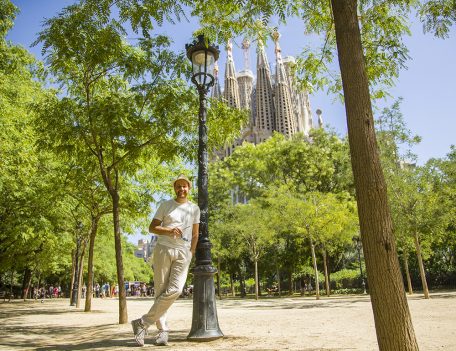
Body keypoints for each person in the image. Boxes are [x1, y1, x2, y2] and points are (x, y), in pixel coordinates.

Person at [131, 174, 199, 347]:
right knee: (160, 292)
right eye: (178, 186)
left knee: (176, 290)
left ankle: (142, 323)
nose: (181, 189)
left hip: (183, 252)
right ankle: (163, 331)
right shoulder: (165, 205)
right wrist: (169, 231)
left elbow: (195, 234)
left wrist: (191, 252)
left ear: (188, 188)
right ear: (174, 188)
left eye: (184, 186)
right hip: (163, 249)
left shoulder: (194, 208)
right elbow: (152, 227)